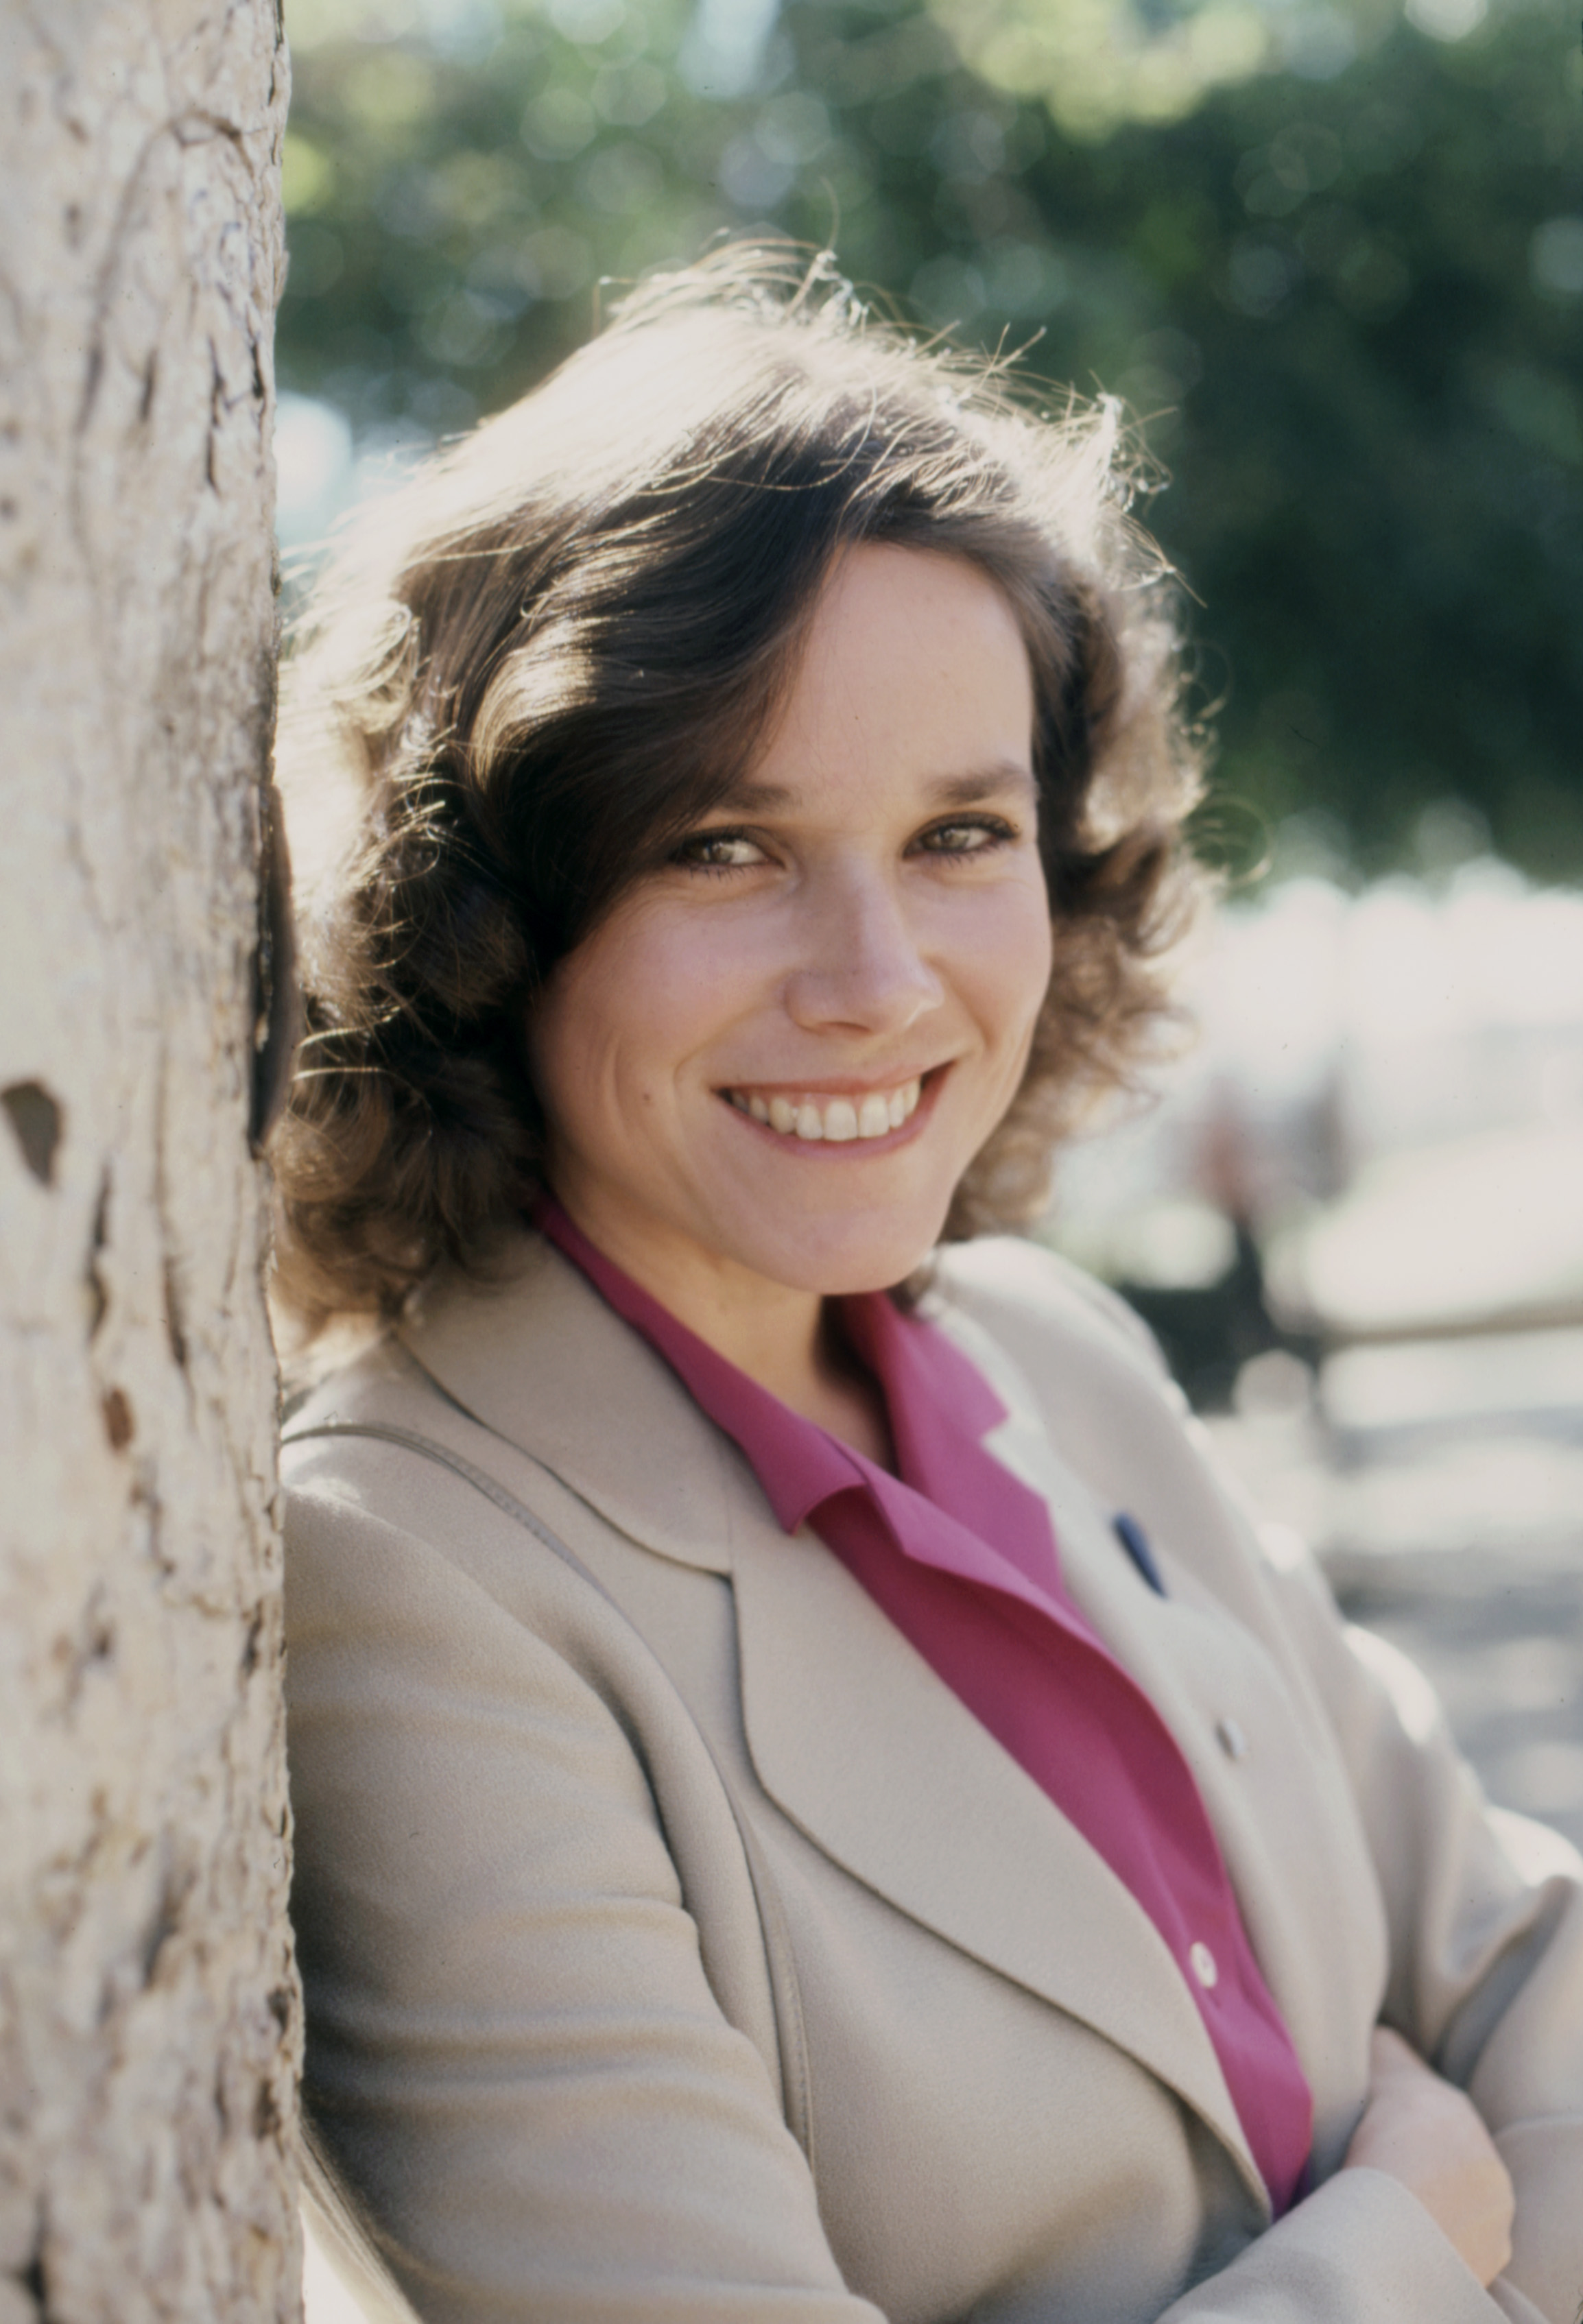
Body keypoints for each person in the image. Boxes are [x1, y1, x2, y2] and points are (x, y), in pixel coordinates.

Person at [272, 248, 1583, 2324]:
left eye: (960, 833)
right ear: (486, 912)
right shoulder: (406, 1577)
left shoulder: (1050, 1356)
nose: (878, 987)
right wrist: (1403, 2250)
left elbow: (1523, 1954)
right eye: (725, 845)